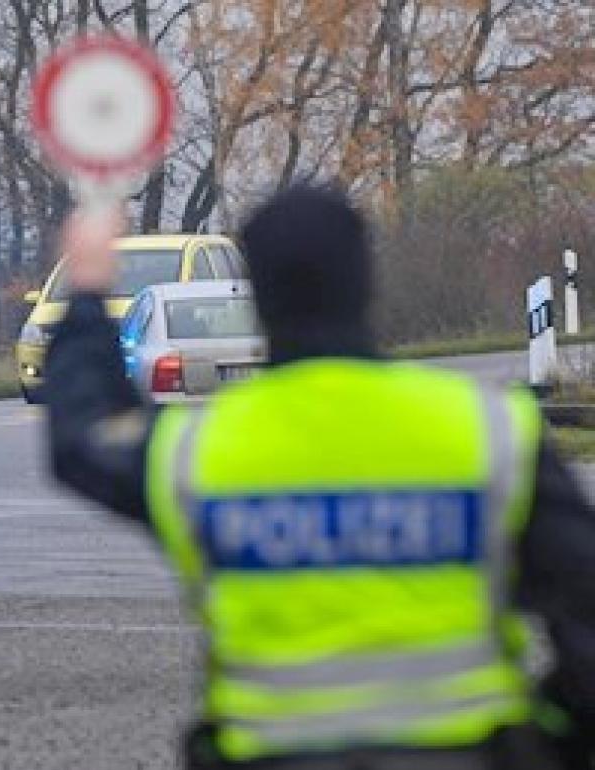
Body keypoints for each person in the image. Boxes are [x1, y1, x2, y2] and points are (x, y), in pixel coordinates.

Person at [45, 185, 595, 769]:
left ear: (256, 293)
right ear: (367, 282)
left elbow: (85, 434)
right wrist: (557, 734)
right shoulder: (487, 429)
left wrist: (86, 291)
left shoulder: (199, 449)